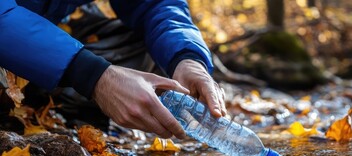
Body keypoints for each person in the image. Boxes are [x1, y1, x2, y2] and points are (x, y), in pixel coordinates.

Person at [0, 0, 227, 139]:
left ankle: (58, 105)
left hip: (38, 34)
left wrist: (187, 58)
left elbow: (154, 4)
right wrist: (94, 77)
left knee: (142, 44)